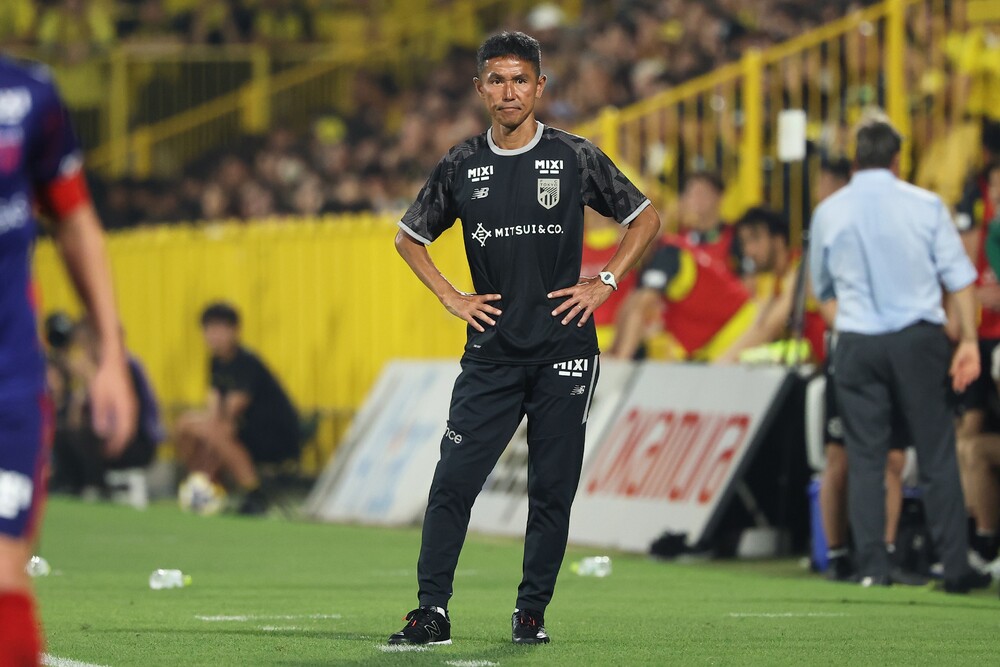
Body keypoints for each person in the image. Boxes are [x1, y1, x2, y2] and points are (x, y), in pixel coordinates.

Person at [389, 31, 659, 646]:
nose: (509, 91)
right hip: (492, 352)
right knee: (453, 480)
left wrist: (605, 281)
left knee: (551, 490)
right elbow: (408, 238)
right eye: (497, 80)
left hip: (566, 351)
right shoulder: (461, 164)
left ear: (540, 86)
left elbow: (645, 217)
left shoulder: (574, 156)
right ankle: (431, 610)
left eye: (520, 80)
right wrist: (451, 296)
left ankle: (531, 612)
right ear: (480, 88)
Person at [810, 113, 989, 592]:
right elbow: (961, 279)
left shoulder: (829, 211)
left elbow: (822, 290)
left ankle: (873, 568)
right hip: (918, 341)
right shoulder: (925, 205)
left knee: (866, 458)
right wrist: (968, 342)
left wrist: (851, 328)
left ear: (855, 160)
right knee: (936, 454)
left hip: (857, 343)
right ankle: (954, 567)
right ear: (897, 159)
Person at [0, 55, 135, 666]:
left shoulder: (28, 96)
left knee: (5, 576)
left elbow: (75, 221)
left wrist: (111, 356)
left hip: (9, 382)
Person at [174, 303, 300, 516]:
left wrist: (210, 433)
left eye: (219, 329)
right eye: (209, 329)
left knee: (218, 432)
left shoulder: (247, 362)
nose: (213, 336)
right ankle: (202, 483)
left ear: (235, 331)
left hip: (274, 435)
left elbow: (231, 412)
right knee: (185, 424)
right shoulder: (216, 362)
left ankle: (254, 493)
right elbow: (213, 409)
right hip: (244, 430)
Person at [610, 235, 754, 361]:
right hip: (713, 337)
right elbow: (630, 305)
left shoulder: (667, 255)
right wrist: (612, 353)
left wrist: (620, 360)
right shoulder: (648, 259)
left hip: (738, 325)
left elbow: (640, 307)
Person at [713, 207, 826, 364]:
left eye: (755, 240)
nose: (748, 251)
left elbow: (770, 327)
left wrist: (724, 362)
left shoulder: (802, 267)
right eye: (744, 242)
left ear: (778, 240)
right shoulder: (774, 280)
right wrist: (721, 361)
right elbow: (758, 325)